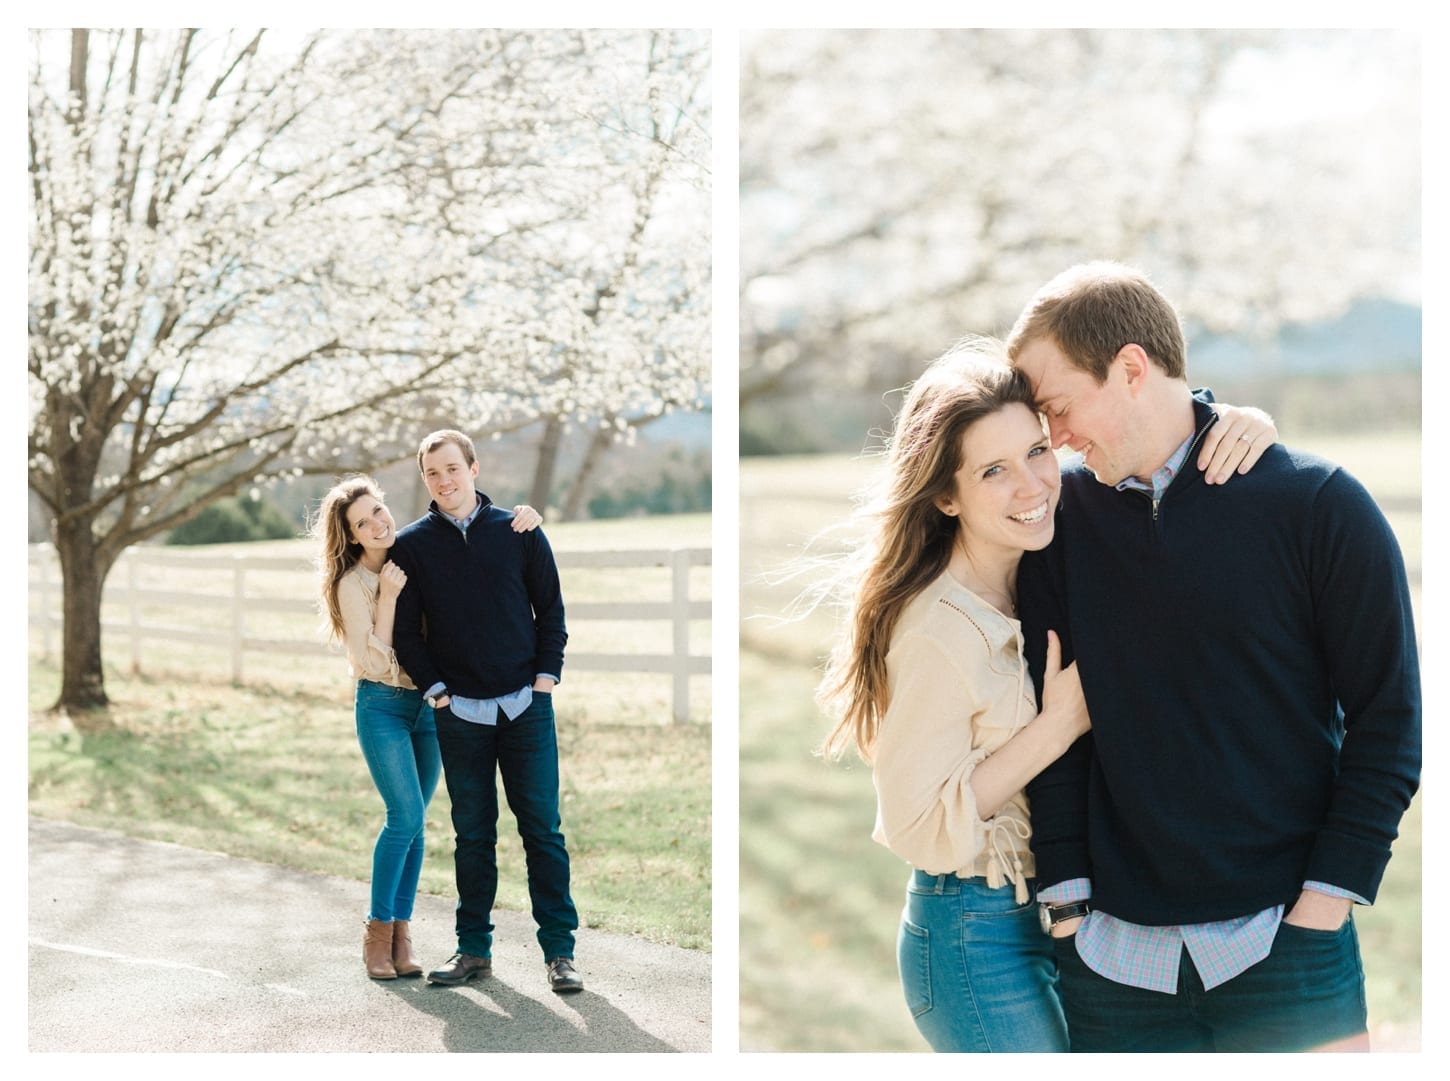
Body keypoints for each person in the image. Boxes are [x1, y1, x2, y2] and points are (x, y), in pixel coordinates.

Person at [1007, 261, 1422, 1053]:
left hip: (1288, 953)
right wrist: (1068, 910)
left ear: (1131, 369)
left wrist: (1323, 907)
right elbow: (1053, 728)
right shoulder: (1058, 530)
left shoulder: (1320, 506)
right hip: (1113, 970)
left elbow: (1390, 721)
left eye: (1056, 408)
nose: (1051, 437)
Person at [817, 340, 1275, 1052]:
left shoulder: (1050, 553)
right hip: (973, 930)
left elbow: (1151, 443)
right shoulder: (940, 627)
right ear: (945, 494)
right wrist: (1055, 727)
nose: (1033, 484)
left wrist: (1238, 424)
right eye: (993, 471)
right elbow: (916, 824)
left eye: (1037, 450)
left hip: (1060, 913)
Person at [313, 475, 540, 980]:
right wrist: (390, 596)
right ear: (350, 535)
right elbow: (375, 655)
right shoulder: (353, 584)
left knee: (417, 826)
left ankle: (402, 935)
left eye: (378, 510)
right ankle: (376, 934)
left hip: (430, 706)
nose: (377, 523)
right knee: (405, 816)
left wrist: (526, 518)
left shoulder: (412, 557)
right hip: (383, 705)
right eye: (362, 522)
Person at [389, 429, 583, 994]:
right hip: (459, 712)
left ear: (474, 468)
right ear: (425, 479)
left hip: (526, 706)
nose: (444, 480)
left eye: (452, 468)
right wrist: (436, 690)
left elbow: (551, 608)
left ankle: (560, 954)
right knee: (472, 835)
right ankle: (473, 950)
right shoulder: (412, 545)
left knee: (542, 831)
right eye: (432, 473)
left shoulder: (519, 530)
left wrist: (546, 678)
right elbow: (407, 632)